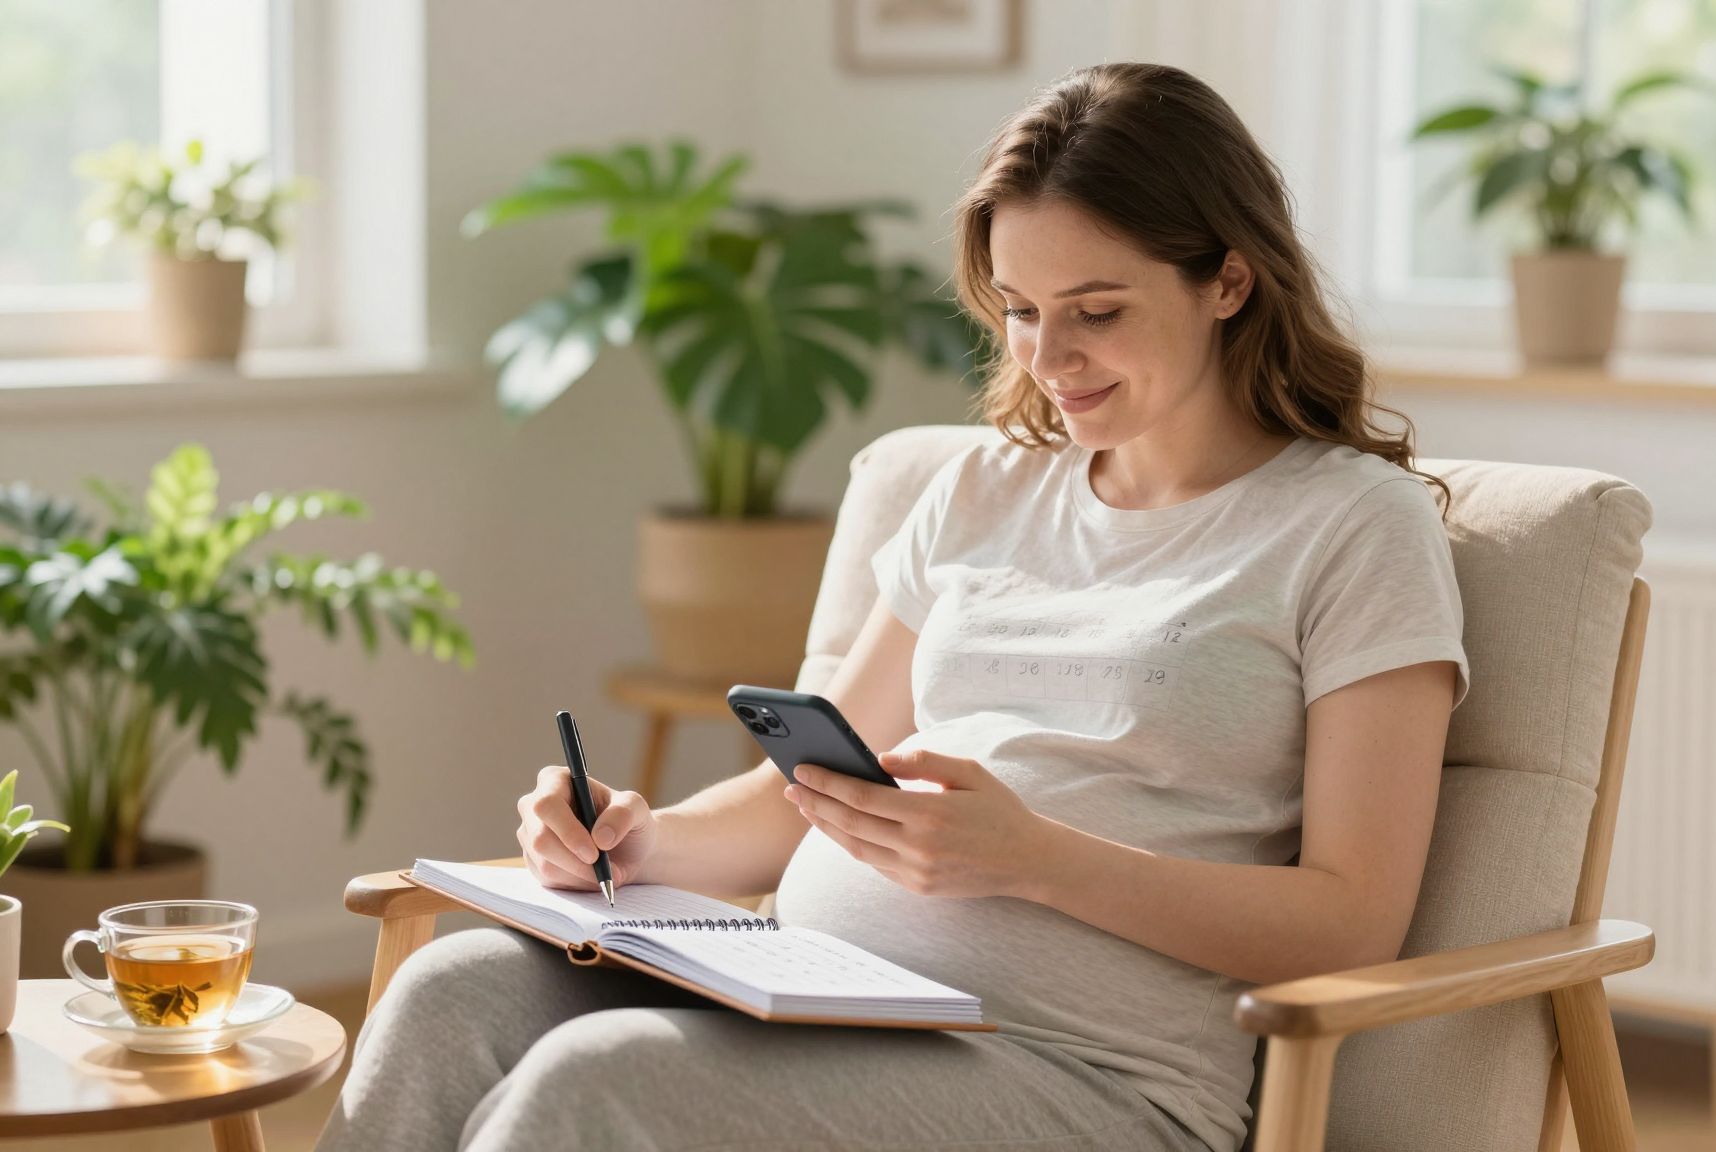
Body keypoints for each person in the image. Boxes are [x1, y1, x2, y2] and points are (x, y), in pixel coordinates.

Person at [315, 60, 1468, 1152]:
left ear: (1227, 278)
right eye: (1019, 309)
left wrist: (1030, 860)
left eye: (1097, 310)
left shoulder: (1351, 526)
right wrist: (626, 841)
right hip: (813, 996)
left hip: (1090, 1079)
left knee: (594, 1082)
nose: (1049, 356)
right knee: (450, 990)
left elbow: (1351, 919)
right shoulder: (975, 490)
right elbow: (791, 802)